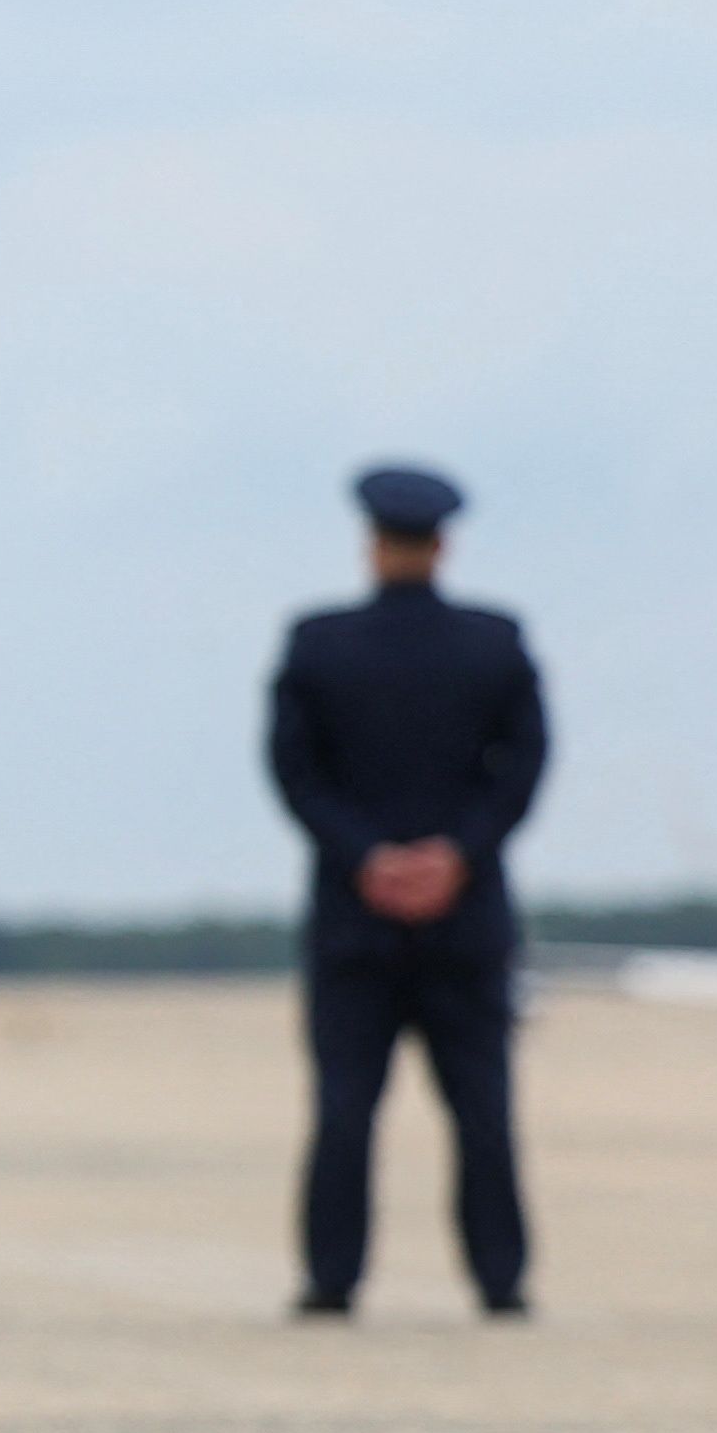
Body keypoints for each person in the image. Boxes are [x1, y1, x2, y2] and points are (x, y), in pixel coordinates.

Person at [265, 465, 549, 1319]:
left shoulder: (319, 644)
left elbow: (294, 771)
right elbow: (524, 767)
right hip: (466, 919)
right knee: (483, 1109)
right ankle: (500, 1280)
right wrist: (457, 854)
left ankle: (332, 1279)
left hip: (355, 921)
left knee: (345, 1107)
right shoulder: (494, 643)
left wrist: (367, 857)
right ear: (443, 545)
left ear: (372, 543)